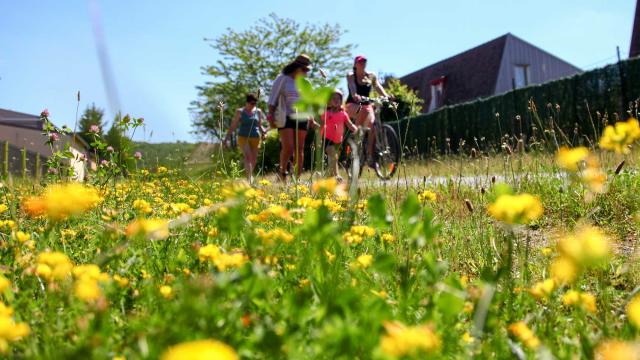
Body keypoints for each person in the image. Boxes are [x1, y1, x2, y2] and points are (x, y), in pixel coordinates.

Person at [267, 54, 313, 181]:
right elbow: (272, 99)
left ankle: (296, 178)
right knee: (288, 146)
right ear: (296, 67)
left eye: (307, 70)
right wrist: (270, 116)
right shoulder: (282, 79)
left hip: (302, 116)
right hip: (285, 116)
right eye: (304, 69)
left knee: (300, 148)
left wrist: (312, 118)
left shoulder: (306, 83)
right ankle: (282, 172)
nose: (305, 72)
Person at [345, 55, 392, 167]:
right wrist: (355, 95)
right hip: (352, 104)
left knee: (374, 127)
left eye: (364, 62)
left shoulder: (370, 76)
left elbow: (377, 86)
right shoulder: (351, 75)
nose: (362, 64)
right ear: (355, 64)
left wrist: (386, 96)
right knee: (362, 111)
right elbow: (352, 87)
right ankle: (356, 136)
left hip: (367, 105)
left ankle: (370, 156)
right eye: (360, 62)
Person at [223, 93, 266, 182]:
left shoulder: (258, 111)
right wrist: (226, 139)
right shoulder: (240, 111)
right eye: (251, 103)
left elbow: (260, 125)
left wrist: (264, 133)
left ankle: (250, 174)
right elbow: (233, 126)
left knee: (253, 158)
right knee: (248, 156)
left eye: (254, 103)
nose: (253, 105)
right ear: (247, 102)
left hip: (256, 137)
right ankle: (249, 177)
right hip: (243, 137)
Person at [320, 89, 356, 181]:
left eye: (338, 99)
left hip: (338, 141)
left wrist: (356, 129)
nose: (336, 100)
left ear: (341, 101)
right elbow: (320, 124)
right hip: (327, 139)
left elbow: (350, 124)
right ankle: (337, 176)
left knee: (333, 159)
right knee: (333, 155)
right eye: (333, 99)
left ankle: (330, 178)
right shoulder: (326, 113)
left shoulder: (343, 114)